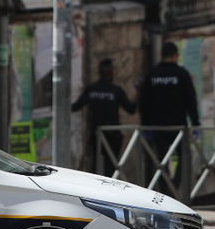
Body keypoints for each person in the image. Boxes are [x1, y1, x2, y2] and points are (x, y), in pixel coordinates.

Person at [138, 41, 200, 197]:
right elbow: (191, 101)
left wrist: (146, 126)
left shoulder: (152, 75)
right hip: (179, 126)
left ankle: (164, 191)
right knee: (182, 159)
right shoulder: (182, 74)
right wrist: (196, 123)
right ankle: (174, 186)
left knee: (161, 160)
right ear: (176, 55)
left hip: (158, 127)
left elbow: (144, 102)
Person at [71, 58, 136, 177]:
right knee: (111, 167)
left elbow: (75, 106)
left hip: (97, 135)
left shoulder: (91, 89)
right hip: (113, 135)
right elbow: (131, 109)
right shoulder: (116, 91)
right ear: (112, 73)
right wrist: (138, 94)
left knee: (96, 166)